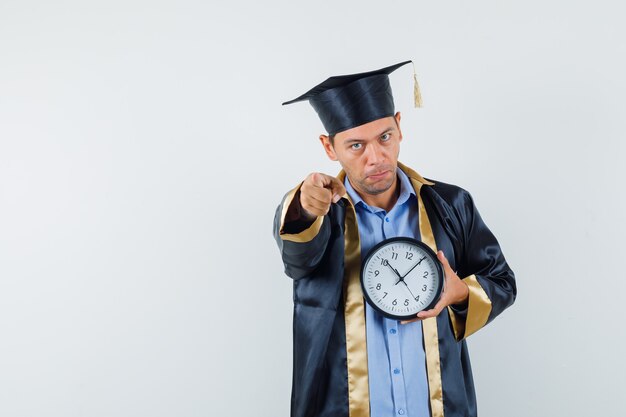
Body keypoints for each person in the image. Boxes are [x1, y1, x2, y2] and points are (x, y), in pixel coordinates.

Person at [273, 60, 516, 417]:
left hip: (436, 405)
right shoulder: (318, 212)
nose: (376, 158)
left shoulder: (450, 205)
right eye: (356, 145)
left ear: (399, 127)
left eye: (384, 137)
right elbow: (298, 260)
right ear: (329, 147)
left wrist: (460, 292)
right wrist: (307, 208)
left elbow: (503, 282)